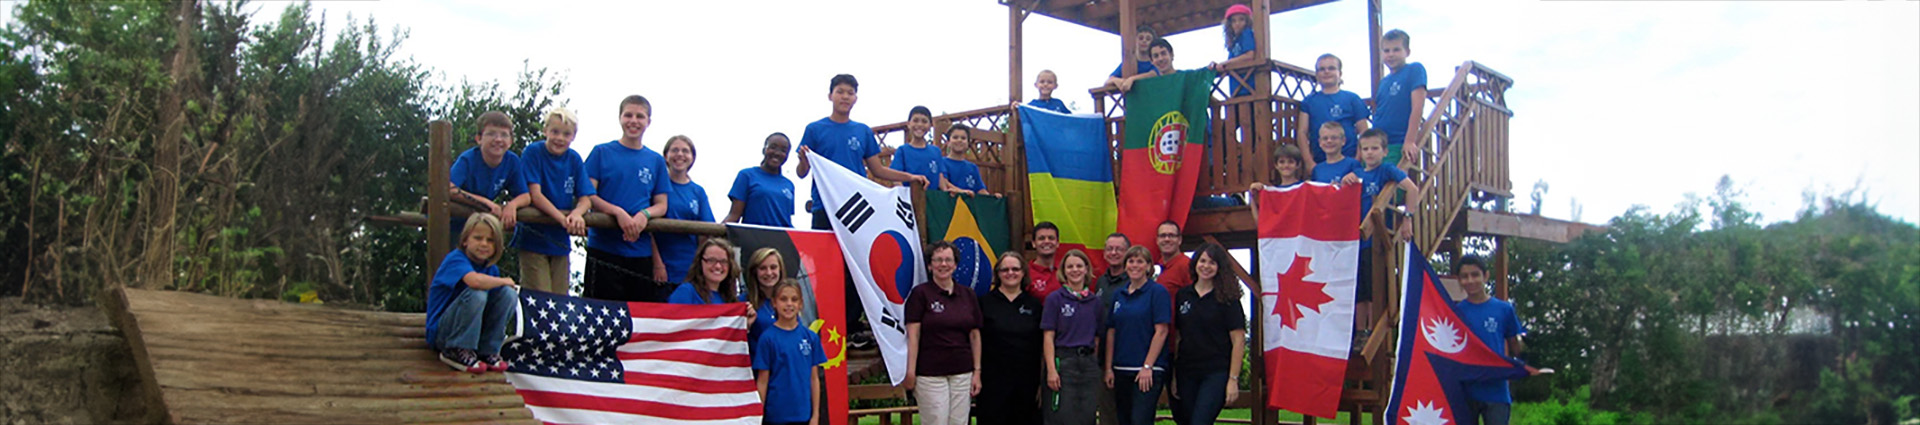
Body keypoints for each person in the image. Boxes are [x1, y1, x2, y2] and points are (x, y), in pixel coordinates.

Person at [795, 74, 930, 230]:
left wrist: (910, 177)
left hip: (856, 207)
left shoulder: (863, 131)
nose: (845, 97)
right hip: (824, 205)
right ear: (830, 96)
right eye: (840, 92)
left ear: (855, 99)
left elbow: (878, 170)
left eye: (850, 93)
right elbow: (801, 173)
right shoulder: (814, 129)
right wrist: (803, 161)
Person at [584, 95, 673, 302]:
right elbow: (588, 195)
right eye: (628, 115)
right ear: (620, 118)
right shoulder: (601, 152)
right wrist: (617, 212)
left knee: (637, 315)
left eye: (640, 116)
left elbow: (661, 205)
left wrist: (644, 214)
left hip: (640, 252)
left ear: (648, 121)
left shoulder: (656, 160)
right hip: (603, 248)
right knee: (600, 313)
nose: (634, 121)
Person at [426, 213, 519, 373]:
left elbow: (496, 303)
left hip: (475, 334)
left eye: (490, 240)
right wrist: (504, 280)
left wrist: (503, 285)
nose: (484, 244)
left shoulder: (491, 269)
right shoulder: (455, 259)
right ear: (465, 240)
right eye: (478, 238)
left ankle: (488, 350)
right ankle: (456, 349)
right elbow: (475, 281)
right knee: (477, 293)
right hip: (444, 334)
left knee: (508, 295)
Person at [902, 241, 983, 425]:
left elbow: (974, 335)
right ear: (930, 266)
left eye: (948, 260)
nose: (943, 264)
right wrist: (910, 371)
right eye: (938, 260)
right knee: (936, 420)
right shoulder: (920, 294)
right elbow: (913, 336)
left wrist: (977, 371)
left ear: (955, 265)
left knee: (959, 422)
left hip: (962, 371)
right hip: (930, 373)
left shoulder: (968, 295)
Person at [1347, 129, 1420, 331]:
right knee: (1359, 289)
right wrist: (1345, 181)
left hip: (1377, 239)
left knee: (1374, 288)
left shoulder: (1386, 170)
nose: (1370, 153)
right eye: (1365, 149)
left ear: (1385, 151)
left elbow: (1412, 189)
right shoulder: (1357, 174)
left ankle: (1372, 329)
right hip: (1357, 239)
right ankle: (1360, 331)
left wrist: (1407, 218)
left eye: (1375, 148)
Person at [518, 107, 594, 294]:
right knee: (539, 294)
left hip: (560, 242)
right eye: (555, 132)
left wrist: (577, 214)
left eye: (566, 134)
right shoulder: (533, 152)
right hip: (534, 238)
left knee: (560, 298)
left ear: (573, 136)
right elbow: (535, 195)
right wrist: (562, 219)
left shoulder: (574, 159)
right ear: (545, 131)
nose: (560, 138)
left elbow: (586, 198)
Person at [1169, 243, 1246, 425]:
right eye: (1202, 261)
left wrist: (1233, 380)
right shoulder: (1183, 295)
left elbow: (1238, 340)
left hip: (1216, 372)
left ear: (1219, 267)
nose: (1206, 266)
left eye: (1212, 263)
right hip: (1186, 371)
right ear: (1195, 263)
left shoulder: (1228, 298)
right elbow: (1179, 337)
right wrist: (1174, 376)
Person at [1454, 255, 1530, 425]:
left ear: (1486, 276)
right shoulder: (1455, 312)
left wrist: (1523, 365)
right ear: (1459, 280)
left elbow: (1515, 345)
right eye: (1464, 276)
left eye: (1475, 275)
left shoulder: (1504, 309)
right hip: (1465, 390)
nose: (1470, 280)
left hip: (1496, 390)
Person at [1104, 246, 1171, 425]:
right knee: (1124, 420)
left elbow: (1162, 331)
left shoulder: (1157, 292)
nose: (1135, 265)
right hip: (1121, 369)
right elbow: (1111, 331)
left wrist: (1147, 366)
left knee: (1140, 420)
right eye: (1131, 261)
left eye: (1140, 261)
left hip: (1146, 371)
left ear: (1148, 266)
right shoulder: (1119, 294)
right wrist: (1109, 367)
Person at [977, 252, 1044, 425]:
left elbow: (1042, 345)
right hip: (993, 383)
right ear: (998, 273)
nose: (1010, 273)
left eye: (1015, 269)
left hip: (1027, 383)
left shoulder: (1035, 305)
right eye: (1005, 269)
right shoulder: (984, 303)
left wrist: (1041, 382)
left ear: (1023, 273)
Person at [1041, 250, 1104, 425]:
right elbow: (1048, 336)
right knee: (1063, 414)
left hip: (1088, 363)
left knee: (1087, 414)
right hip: (1064, 362)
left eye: (1079, 266)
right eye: (1070, 267)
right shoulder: (1055, 299)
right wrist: (1051, 370)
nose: (1075, 270)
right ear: (1063, 271)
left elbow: (1097, 337)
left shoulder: (1095, 302)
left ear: (1086, 269)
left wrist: (1093, 362)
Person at [448, 111, 529, 243]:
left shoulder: (512, 161)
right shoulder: (468, 159)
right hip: (453, 224)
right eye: (491, 134)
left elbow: (525, 196)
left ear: (510, 141)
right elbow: (448, 189)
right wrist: (485, 202)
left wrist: (512, 205)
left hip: (481, 227)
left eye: (504, 135)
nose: (498, 139)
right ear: (479, 139)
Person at [754, 279, 826, 425]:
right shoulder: (767, 339)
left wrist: (815, 415)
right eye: (783, 299)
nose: (789, 304)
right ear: (774, 303)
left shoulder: (810, 337)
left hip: (803, 416)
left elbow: (814, 379)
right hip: (776, 417)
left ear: (801, 303)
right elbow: (762, 381)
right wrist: (757, 417)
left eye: (794, 299)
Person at [656, 135, 716, 284]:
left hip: (689, 266)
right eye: (674, 150)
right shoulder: (656, 186)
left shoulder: (698, 192)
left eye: (685, 151)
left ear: (692, 157)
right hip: (660, 266)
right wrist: (657, 263)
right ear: (666, 156)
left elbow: (707, 230)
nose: (680, 154)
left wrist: (699, 265)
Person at [1300, 54, 1372, 164]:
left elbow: (1364, 131)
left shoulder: (1352, 99)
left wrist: (1357, 160)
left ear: (1340, 73)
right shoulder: (1309, 101)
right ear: (1317, 75)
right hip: (1320, 163)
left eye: (1331, 68)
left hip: (1349, 160)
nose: (1326, 72)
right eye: (1322, 69)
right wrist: (1309, 162)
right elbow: (1302, 132)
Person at [1372, 29, 1427, 167]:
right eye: (1386, 51)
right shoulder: (1383, 82)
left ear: (1407, 52)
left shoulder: (1414, 70)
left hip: (1398, 142)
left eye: (1396, 50)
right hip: (1378, 143)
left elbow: (1418, 106)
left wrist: (1410, 140)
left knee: (1393, 179)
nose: (1391, 54)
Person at [724, 133, 797, 228]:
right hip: (754, 235)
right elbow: (734, 216)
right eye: (773, 147)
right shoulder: (747, 176)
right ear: (764, 150)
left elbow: (786, 220)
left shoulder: (789, 185)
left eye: (783, 150)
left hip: (782, 236)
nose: (777, 153)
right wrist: (714, 233)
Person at [668, 238, 743, 305]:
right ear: (700, 262)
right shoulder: (686, 292)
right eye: (711, 260)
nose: (718, 266)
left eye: (723, 261)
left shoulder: (730, 297)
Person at [745, 247, 789, 349]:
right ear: (755, 272)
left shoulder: (789, 301)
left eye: (773, 267)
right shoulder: (744, 302)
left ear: (780, 270)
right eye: (763, 268)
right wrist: (746, 326)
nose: (769, 273)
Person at [890, 106, 944, 186]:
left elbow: (940, 178)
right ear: (908, 124)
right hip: (909, 193)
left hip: (931, 193)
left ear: (930, 126)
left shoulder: (936, 151)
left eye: (924, 121)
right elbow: (895, 177)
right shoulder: (902, 150)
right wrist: (903, 193)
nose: (919, 124)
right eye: (915, 121)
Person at [1214, 4, 1260, 97]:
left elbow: (1249, 55)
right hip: (1237, 87)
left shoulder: (1246, 33)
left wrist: (1225, 63)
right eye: (1233, 21)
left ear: (1247, 21)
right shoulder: (1234, 41)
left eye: (1241, 19)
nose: (1237, 23)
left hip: (1247, 87)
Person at [937, 125, 995, 196]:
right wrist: (962, 192)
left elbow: (980, 190)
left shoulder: (972, 167)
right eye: (955, 137)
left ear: (968, 143)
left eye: (963, 138)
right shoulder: (941, 162)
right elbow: (944, 183)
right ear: (948, 142)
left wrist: (993, 198)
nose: (959, 140)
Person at [1104, 25, 1159, 91]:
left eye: (1148, 39)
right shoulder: (1129, 63)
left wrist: (1131, 79)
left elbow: (1153, 74)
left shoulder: (1155, 61)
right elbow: (1108, 81)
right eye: (1140, 38)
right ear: (1135, 41)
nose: (1144, 41)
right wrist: (1116, 80)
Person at [1154, 221, 1192, 296]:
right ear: (1157, 240)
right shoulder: (1158, 267)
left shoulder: (1186, 265)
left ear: (1179, 240)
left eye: (1171, 235)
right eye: (1163, 236)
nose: (1167, 239)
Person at [1028, 221, 1063, 301]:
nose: (1047, 241)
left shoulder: (1066, 271)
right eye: (1041, 238)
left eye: (1051, 238)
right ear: (1033, 243)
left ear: (1057, 243)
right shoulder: (1026, 273)